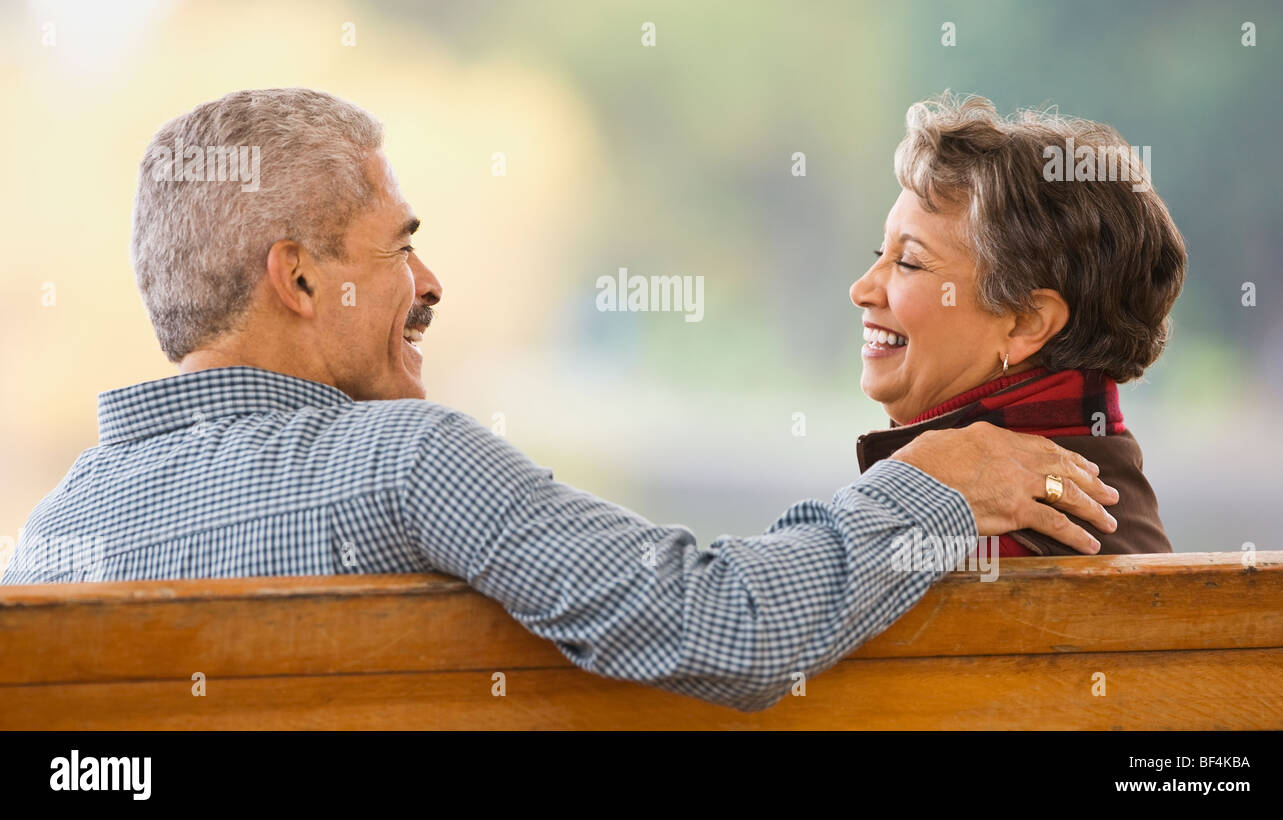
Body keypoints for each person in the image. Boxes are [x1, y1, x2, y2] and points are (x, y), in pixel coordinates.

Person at [0, 89, 1118, 712]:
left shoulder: (45, 546)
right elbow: (719, 625)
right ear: (298, 279)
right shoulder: (400, 461)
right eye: (400, 250)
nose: (430, 284)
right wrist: (919, 491)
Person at [852, 92, 1186, 556]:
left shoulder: (954, 547)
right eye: (879, 255)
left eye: (909, 262)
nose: (861, 290)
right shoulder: (1114, 492)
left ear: (1026, 322)